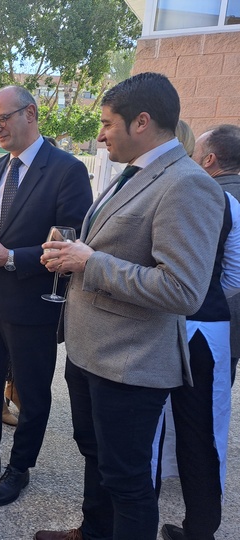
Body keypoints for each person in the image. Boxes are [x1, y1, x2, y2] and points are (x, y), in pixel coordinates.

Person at [36, 72, 226, 540]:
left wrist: (90, 261)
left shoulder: (188, 184)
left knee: (128, 481)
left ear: (141, 122)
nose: (99, 135)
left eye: (106, 124)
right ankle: (93, 531)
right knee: (97, 457)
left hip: (131, 363)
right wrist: (74, 257)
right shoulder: (134, 174)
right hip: (90, 352)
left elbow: (183, 289)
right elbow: (111, 248)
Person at [0, 86, 92, 507]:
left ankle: (19, 468)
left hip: (33, 303)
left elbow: (70, 242)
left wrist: (10, 258)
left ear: (31, 113)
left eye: (3, 118)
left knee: (32, 392)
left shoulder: (67, 170)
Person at [157, 124, 240, 540]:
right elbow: (234, 276)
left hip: (164, 326)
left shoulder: (163, 191)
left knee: (154, 427)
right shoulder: (226, 203)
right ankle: (201, 528)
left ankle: (136, 518)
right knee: (203, 431)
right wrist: (202, 300)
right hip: (209, 328)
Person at [194, 124, 240, 384]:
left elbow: (234, 276)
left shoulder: (207, 198)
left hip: (206, 318)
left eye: (195, 153)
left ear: (209, 159)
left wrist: (203, 293)